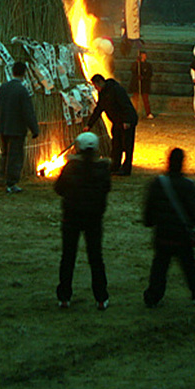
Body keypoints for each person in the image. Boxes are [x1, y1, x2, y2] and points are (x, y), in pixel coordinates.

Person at [142, 148, 195, 307]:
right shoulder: (187, 185)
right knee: (188, 266)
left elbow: (149, 207)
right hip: (181, 234)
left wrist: (149, 221)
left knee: (159, 266)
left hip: (163, 232)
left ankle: (153, 296)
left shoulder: (157, 183)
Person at [53, 131, 113, 309]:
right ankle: (101, 297)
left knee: (68, 257)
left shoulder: (70, 168)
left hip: (71, 217)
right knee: (96, 257)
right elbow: (106, 189)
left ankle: (64, 297)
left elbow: (58, 188)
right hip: (94, 218)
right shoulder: (102, 169)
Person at [0, 61, 40, 193]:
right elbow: (27, 112)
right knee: (15, 156)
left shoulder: (3, 88)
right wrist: (34, 129)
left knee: (5, 154)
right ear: (24, 73)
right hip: (16, 129)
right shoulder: (22, 90)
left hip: (3, 127)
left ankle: (3, 178)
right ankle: (11, 183)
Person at [87, 73, 138, 175]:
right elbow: (99, 109)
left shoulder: (116, 90)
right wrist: (89, 124)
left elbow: (125, 105)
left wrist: (127, 121)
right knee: (116, 145)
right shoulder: (103, 94)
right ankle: (115, 166)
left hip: (127, 120)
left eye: (96, 86)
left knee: (127, 145)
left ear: (100, 82)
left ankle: (126, 168)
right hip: (117, 122)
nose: (96, 89)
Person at [128, 48, 154, 119]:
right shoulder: (136, 64)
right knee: (135, 99)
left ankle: (148, 113)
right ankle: (134, 112)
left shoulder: (148, 65)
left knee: (145, 99)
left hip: (145, 84)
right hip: (136, 84)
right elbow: (133, 71)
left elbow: (150, 74)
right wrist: (137, 63)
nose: (144, 56)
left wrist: (143, 77)